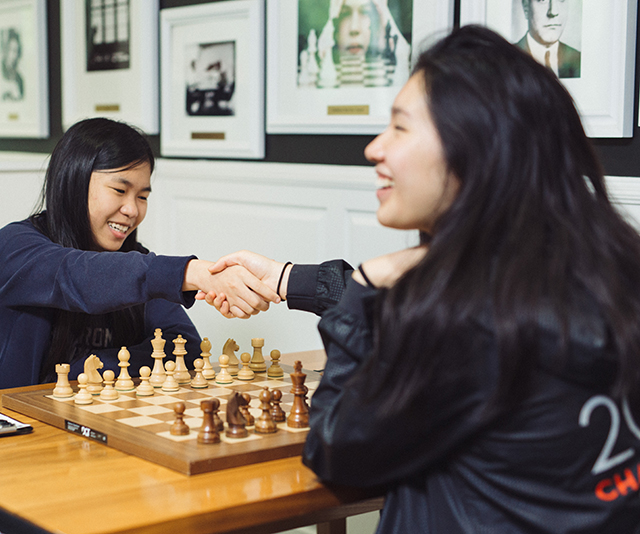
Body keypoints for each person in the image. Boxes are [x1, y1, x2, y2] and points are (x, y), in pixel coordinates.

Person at [205, 25, 640, 533]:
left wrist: (368, 282)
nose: (374, 148)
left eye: (400, 128)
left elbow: (336, 446)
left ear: (474, 150)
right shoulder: (600, 269)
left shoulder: (468, 324)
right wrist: (288, 278)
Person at [0, 118, 277, 392]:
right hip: (12, 430)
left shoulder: (138, 262)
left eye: (142, 196)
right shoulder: (14, 248)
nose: (133, 210)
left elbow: (184, 347)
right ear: (75, 183)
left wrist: (92, 368)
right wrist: (193, 273)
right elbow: (79, 278)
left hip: (92, 429)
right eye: (120, 190)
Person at [515, 0, 580, 78]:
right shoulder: (507, 59)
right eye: (543, 0)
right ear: (526, 8)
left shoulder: (579, 60)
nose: (553, 11)